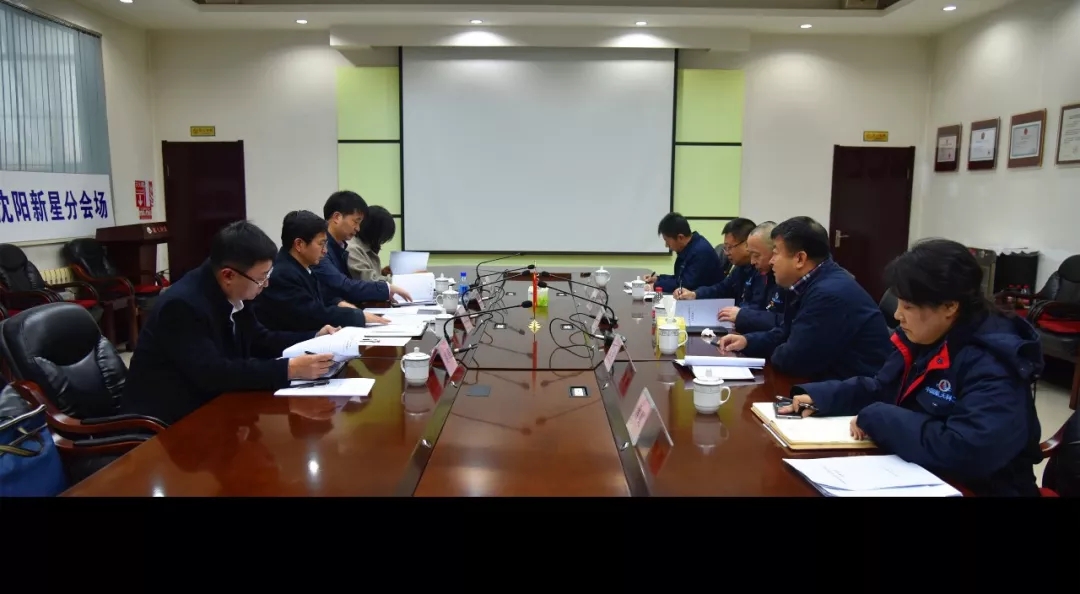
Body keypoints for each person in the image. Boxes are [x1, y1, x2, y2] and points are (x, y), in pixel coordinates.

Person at [779, 239, 1044, 497]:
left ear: (950, 306)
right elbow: (882, 387)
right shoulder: (924, 337)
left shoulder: (994, 362)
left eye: (908, 306)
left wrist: (878, 417)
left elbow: (966, 451)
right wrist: (822, 397)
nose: (897, 315)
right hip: (919, 472)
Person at [122, 220, 338, 426]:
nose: (265, 284)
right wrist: (288, 369)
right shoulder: (182, 306)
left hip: (213, 405)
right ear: (228, 275)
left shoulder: (235, 289)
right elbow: (213, 373)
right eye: (261, 278)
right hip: (167, 423)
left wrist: (313, 338)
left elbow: (259, 339)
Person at [718, 216, 891, 380]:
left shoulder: (828, 294)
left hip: (852, 388)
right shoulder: (807, 283)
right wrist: (748, 342)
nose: (771, 261)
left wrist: (776, 350)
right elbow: (785, 331)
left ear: (800, 259)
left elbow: (795, 360)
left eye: (776, 253)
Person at [254, 210, 387, 331]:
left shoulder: (302, 266)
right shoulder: (283, 274)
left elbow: (323, 296)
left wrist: (338, 303)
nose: (325, 251)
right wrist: (357, 316)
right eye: (321, 244)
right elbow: (313, 314)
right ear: (299, 244)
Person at [311, 191, 413, 304]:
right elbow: (343, 285)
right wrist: (386, 288)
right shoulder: (321, 249)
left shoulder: (340, 246)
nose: (358, 228)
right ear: (337, 217)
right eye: (356, 221)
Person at [724, 221, 787, 334]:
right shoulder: (761, 272)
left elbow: (784, 322)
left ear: (774, 252)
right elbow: (755, 306)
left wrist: (743, 316)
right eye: (751, 255)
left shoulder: (787, 278)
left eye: (757, 256)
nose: (752, 262)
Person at [673, 217, 756, 302]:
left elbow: (757, 306)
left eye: (730, 247)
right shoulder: (740, 268)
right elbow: (721, 289)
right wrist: (694, 294)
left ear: (747, 244)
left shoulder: (760, 270)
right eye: (725, 248)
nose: (726, 253)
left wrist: (740, 310)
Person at [643, 212, 726, 293]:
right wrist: (658, 279)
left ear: (680, 237)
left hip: (711, 300)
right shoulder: (690, 247)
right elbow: (679, 279)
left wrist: (655, 286)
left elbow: (685, 285)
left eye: (667, 241)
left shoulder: (700, 252)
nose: (666, 245)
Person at [347, 205, 396, 282]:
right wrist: (400, 281)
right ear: (374, 232)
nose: (380, 242)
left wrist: (382, 272)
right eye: (381, 237)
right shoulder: (352, 248)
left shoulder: (364, 245)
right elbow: (368, 280)